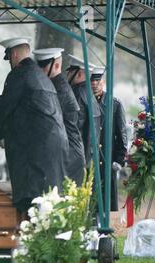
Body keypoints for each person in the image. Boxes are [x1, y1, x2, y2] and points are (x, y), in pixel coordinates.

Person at [0, 37, 68, 217]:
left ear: (15, 54)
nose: (10, 62)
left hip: (35, 153)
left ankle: (32, 242)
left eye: (9, 57)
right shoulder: (41, 77)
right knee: (48, 202)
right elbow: (19, 113)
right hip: (52, 150)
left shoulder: (20, 74)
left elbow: (3, 108)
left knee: (32, 203)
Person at [33, 48, 85, 185]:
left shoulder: (59, 89)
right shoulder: (54, 85)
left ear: (56, 66)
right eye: (38, 65)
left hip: (69, 157)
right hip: (66, 154)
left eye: (43, 66)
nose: (39, 70)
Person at [90, 66, 127, 211]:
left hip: (107, 159)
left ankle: (101, 230)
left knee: (105, 202)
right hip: (89, 158)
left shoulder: (114, 104)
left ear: (103, 82)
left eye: (97, 80)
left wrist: (119, 159)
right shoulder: (83, 101)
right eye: (92, 81)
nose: (94, 84)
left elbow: (122, 133)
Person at [66, 54, 101, 169]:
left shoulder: (77, 93)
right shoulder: (89, 94)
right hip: (86, 157)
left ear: (79, 73)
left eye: (70, 72)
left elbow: (72, 126)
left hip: (74, 156)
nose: (67, 75)